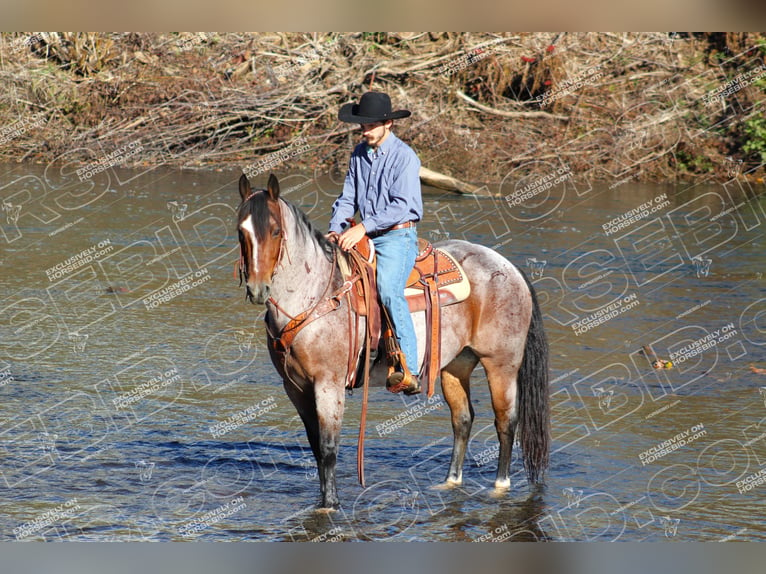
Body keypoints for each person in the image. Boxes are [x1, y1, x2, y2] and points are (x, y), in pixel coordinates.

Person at [328, 91, 423, 395]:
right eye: (362, 126)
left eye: (370, 126)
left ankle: (409, 366)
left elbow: (401, 205)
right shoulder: (359, 153)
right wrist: (337, 228)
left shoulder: (405, 157)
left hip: (397, 236)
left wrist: (363, 228)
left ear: (387, 124)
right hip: (366, 234)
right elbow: (347, 199)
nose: (364, 131)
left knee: (388, 290)